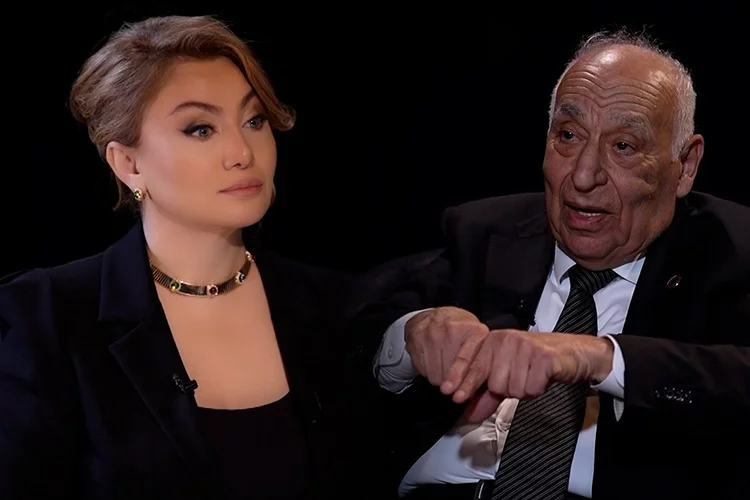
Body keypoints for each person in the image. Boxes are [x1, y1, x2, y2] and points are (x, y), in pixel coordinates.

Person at [0, 15, 391, 500]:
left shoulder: (333, 306)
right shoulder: (45, 317)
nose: (241, 152)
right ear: (128, 164)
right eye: (201, 129)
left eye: (253, 120)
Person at [360, 30, 750, 500]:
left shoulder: (732, 252)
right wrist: (414, 334)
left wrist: (597, 357)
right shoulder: (487, 232)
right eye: (568, 135)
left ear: (684, 165)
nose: (583, 176)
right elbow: (352, 336)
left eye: (624, 146)